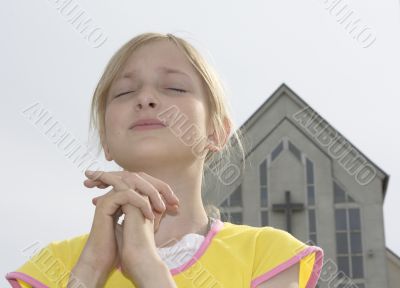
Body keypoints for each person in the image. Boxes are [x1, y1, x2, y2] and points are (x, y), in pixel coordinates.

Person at [5, 32, 324, 288]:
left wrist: (147, 266)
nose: (145, 98)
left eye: (174, 87)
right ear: (105, 139)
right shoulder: (51, 269)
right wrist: (88, 270)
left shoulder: (267, 256)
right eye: (124, 92)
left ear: (216, 132)